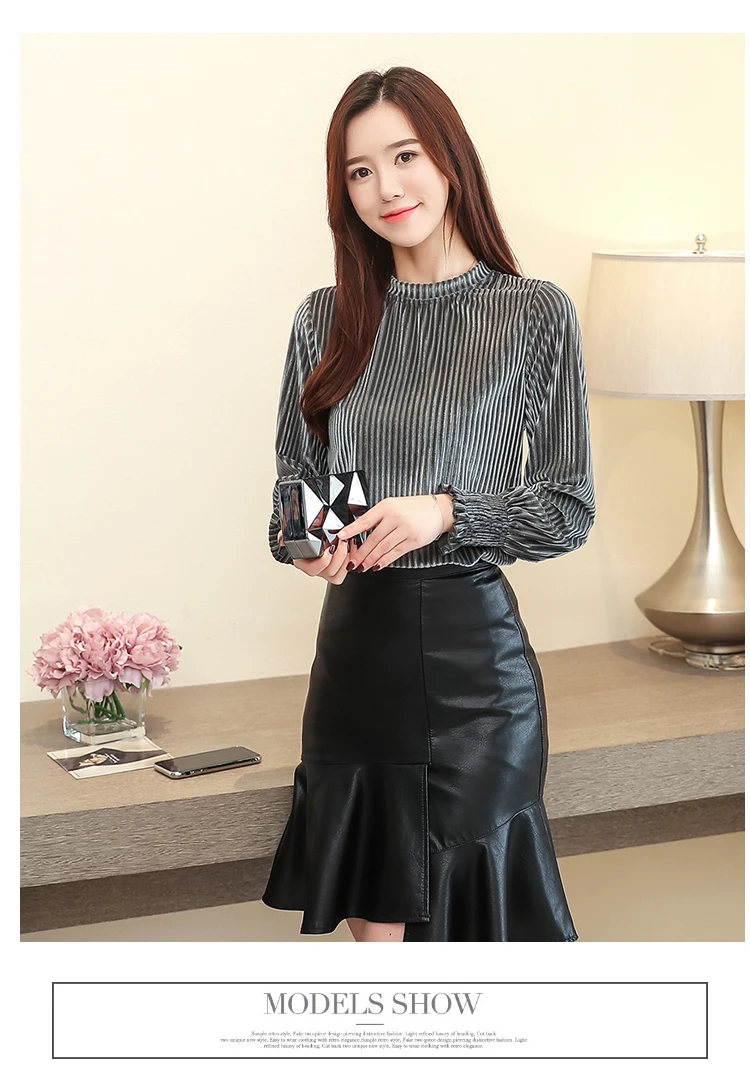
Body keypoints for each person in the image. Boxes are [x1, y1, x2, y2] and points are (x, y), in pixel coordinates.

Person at [261, 66, 595, 943]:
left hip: (474, 672)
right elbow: (292, 489)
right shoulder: (324, 318)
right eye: (360, 170)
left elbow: (567, 507)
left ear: (450, 160)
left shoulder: (532, 313)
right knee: (385, 948)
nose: (386, 186)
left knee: (474, 928)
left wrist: (446, 511)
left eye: (404, 156)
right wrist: (307, 542)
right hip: (356, 662)